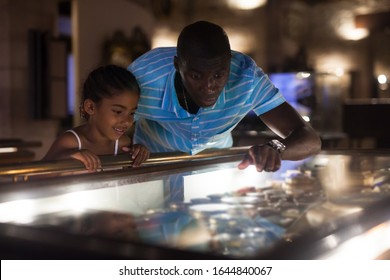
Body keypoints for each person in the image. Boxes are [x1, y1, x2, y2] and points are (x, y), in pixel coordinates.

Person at [128, 21, 321, 172]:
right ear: (178, 65)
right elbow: (107, 126)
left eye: (218, 75)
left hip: (213, 167)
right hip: (151, 164)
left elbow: (311, 140)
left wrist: (276, 148)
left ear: (230, 63)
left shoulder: (247, 77)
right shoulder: (144, 76)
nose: (208, 86)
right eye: (196, 76)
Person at [42, 64, 150, 171]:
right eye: (118, 111)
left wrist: (138, 153)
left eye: (132, 113)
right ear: (90, 107)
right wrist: (66, 157)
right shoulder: (70, 141)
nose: (127, 121)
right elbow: (36, 178)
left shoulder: (123, 144)